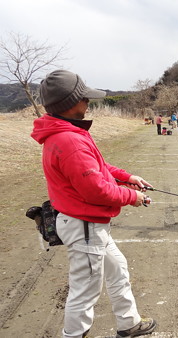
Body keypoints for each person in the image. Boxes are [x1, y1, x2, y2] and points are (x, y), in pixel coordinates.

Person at [31, 70, 157, 338]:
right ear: (70, 103)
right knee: (84, 292)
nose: (88, 102)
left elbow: (98, 167)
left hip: (88, 225)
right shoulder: (69, 140)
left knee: (118, 268)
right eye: (84, 98)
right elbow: (97, 191)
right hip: (85, 227)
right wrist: (132, 196)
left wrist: (127, 177)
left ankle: (129, 323)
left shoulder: (66, 133)